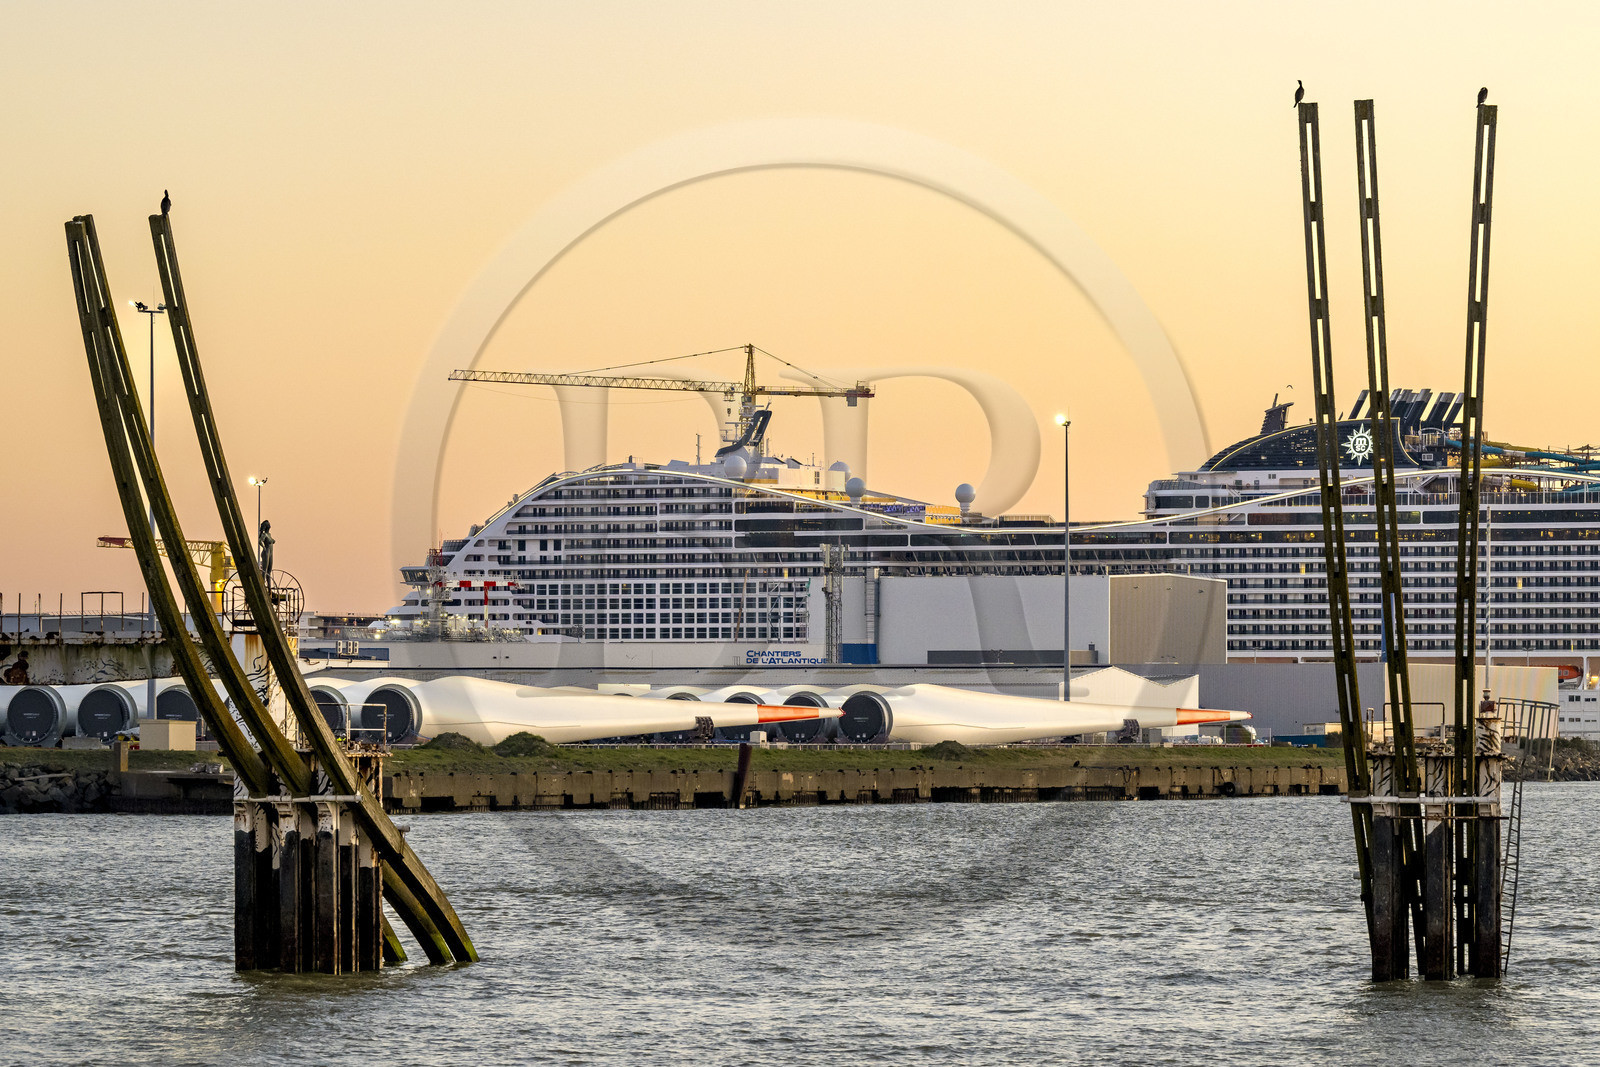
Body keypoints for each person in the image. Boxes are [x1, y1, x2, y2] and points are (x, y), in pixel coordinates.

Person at [258, 519, 275, 588]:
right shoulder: (264, 535)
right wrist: (264, 547)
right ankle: (262, 585)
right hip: (266, 552)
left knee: (269, 570)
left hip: (271, 553)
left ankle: (269, 586)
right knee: (264, 570)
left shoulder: (269, 534)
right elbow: (260, 541)